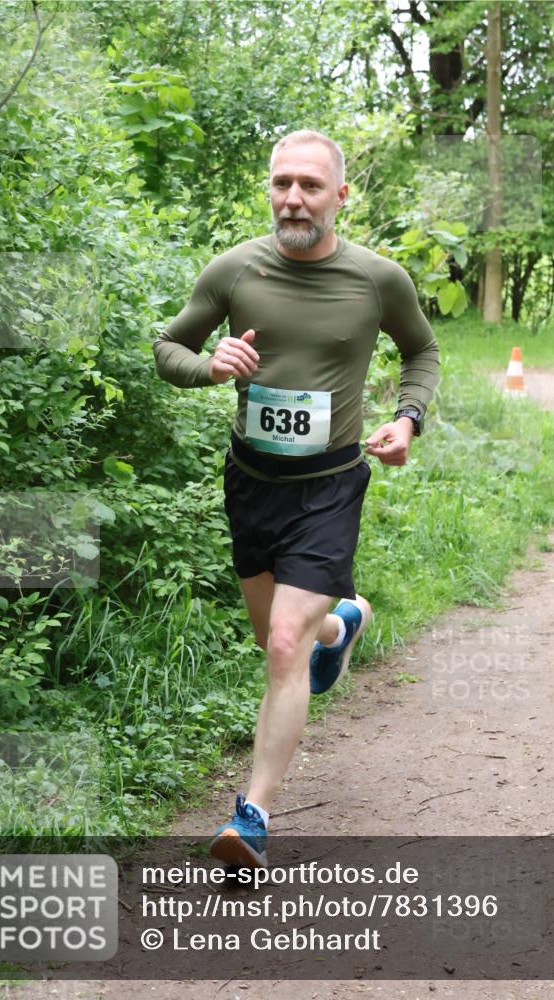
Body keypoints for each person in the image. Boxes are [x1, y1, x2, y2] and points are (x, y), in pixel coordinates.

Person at [153, 130, 440, 868]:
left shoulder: (378, 280)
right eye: (282, 182)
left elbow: (421, 352)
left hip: (329, 486)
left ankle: (250, 817)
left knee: (282, 644)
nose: (292, 198)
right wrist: (210, 368)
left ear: (340, 196)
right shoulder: (234, 270)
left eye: (310, 185)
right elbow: (167, 348)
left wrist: (407, 419)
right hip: (251, 483)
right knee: (275, 640)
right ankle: (340, 627)